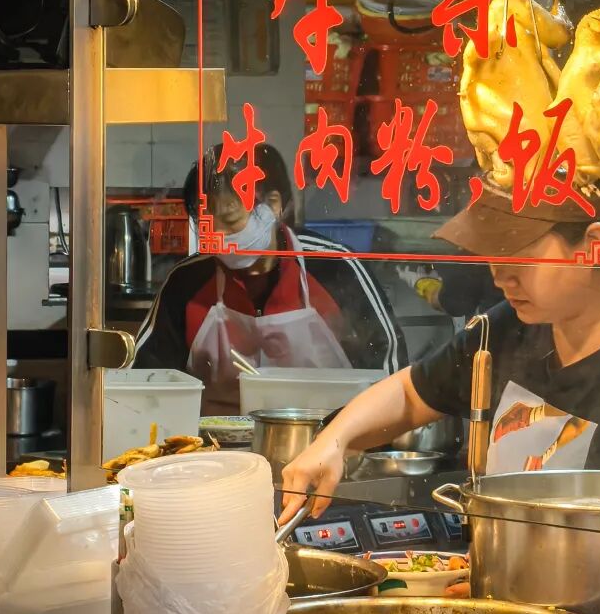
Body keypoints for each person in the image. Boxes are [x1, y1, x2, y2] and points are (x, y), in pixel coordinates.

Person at [279, 182, 600, 523]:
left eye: (519, 256)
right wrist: (333, 441)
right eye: (492, 254)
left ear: (592, 245)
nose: (499, 276)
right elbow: (413, 393)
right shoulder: (513, 325)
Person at [134, 143, 406, 413]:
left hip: (325, 434)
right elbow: (147, 380)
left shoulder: (333, 267)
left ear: (273, 205)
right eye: (209, 224)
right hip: (212, 439)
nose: (219, 236)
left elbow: (388, 366)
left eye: (230, 220)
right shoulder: (186, 281)